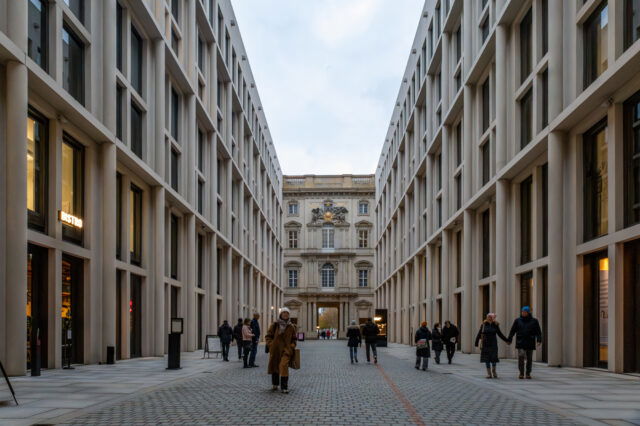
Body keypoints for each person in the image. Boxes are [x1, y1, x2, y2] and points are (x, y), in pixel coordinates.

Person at [265, 307, 297, 394]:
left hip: (286, 350)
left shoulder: (291, 327)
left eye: (287, 313)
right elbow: (268, 336)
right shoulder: (275, 325)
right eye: (284, 313)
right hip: (275, 350)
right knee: (275, 366)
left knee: (283, 366)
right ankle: (275, 384)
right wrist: (271, 345)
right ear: (281, 314)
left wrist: (291, 347)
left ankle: (284, 387)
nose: (285, 314)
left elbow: (294, 339)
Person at [507, 306, 543, 379]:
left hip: (530, 341)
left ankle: (528, 373)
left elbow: (538, 332)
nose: (523, 313)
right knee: (521, 357)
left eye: (525, 312)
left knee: (529, 359)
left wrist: (539, 340)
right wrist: (509, 339)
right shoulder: (518, 320)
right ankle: (521, 373)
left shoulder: (534, 321)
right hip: (521, 342)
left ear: (528, 312)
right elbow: (512, 331)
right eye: (522, 312)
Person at [475, 313, 509, 379]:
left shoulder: (495, 325)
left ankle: (494, 371)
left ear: (493, 318)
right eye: (488, 317)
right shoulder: (484, 325)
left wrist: (506, 340)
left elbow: (500, 334)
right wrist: (476, 342)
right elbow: (479, 333)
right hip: (485, 344)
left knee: (493, 358)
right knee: (486, 359)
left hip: (493, 344)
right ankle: (489, 374)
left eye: (490, 317)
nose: (489, 318)